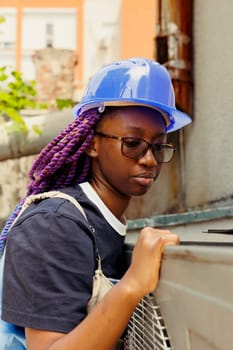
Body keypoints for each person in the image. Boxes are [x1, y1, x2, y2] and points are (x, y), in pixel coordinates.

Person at [0, 57, 191, 350]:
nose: (150, 159)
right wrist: (132, 286)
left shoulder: (97, 221)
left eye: (158, 145)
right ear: (91, 142)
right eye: (132, 143)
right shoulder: (56, 224)